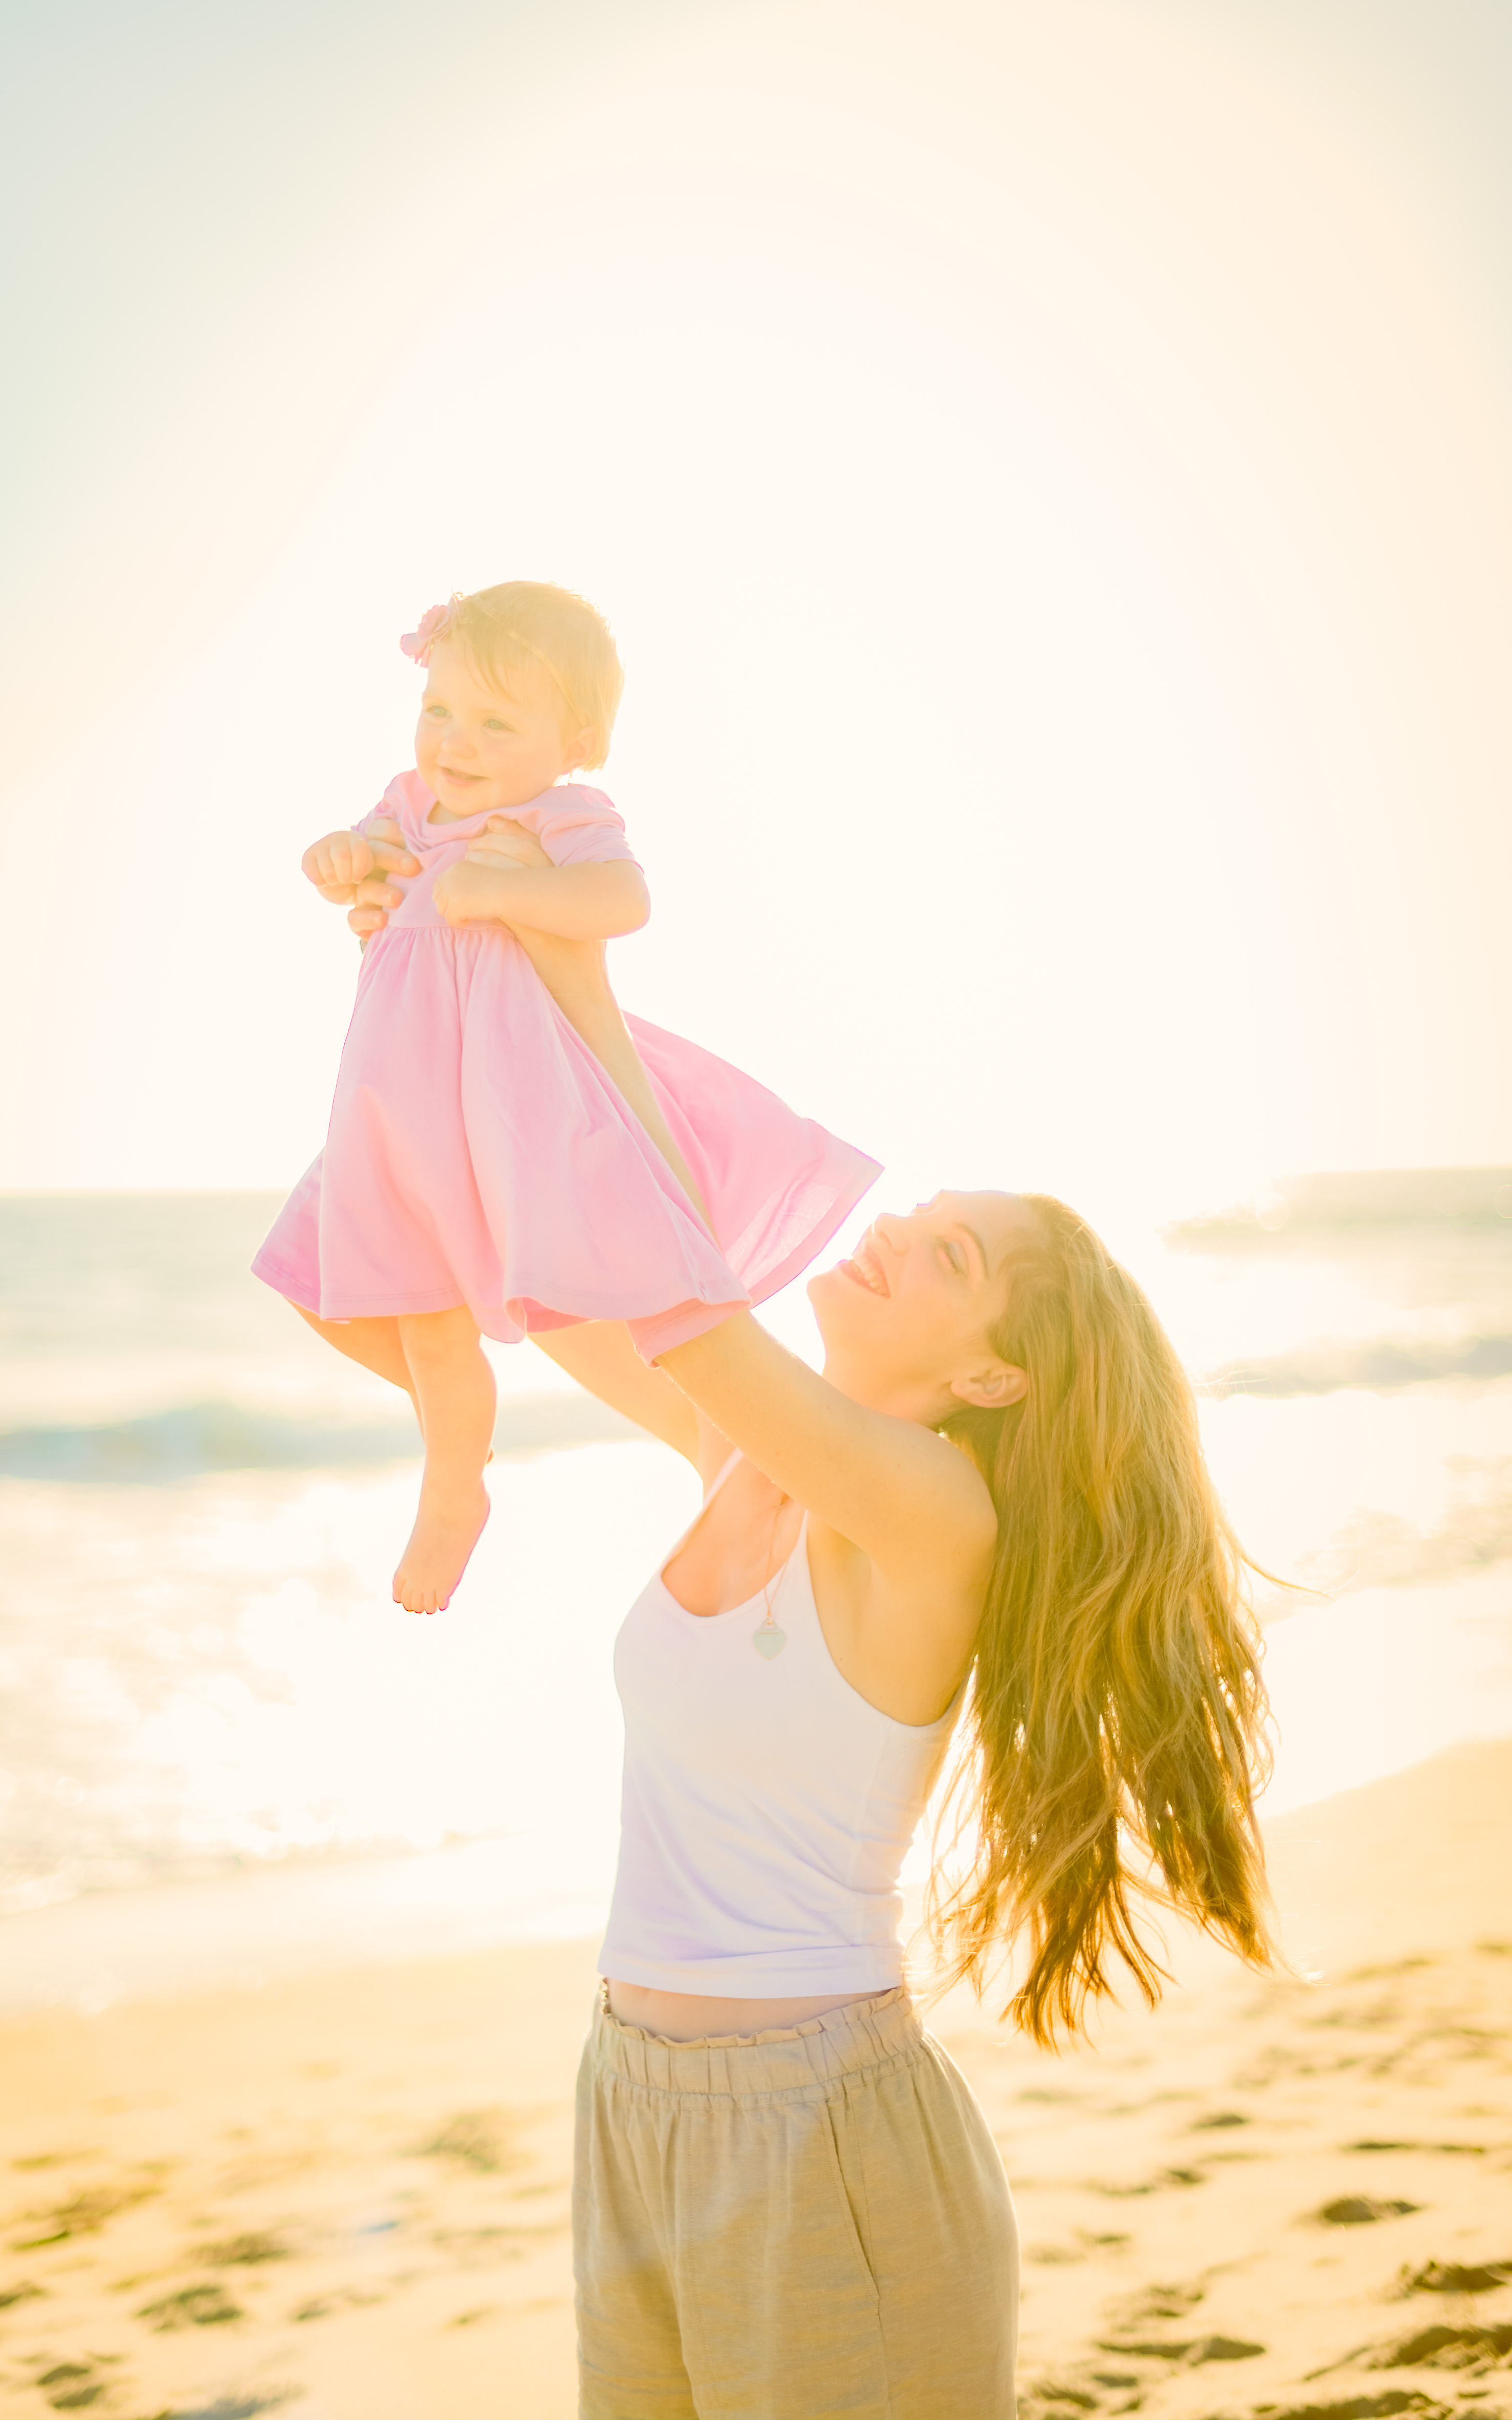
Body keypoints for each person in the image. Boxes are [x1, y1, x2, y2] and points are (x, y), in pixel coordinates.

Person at [318, 833, 1275, 2420]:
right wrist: (425, 969)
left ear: (991, 1377)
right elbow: (552, 1271)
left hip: (820, 2127)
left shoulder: (929, 1517)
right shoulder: (738, 1453)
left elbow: (667, 1277)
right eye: (928, 1211)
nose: (896, 1232)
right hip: (629, 2100)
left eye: (949, 1255)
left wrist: (554, 953)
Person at [251, 581, 879, 1615]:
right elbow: (355, 866)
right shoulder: (409, 805)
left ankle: (455, 1478)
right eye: (440, 710)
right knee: (345, 1283)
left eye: (497, 720)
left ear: (575, 739)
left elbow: (622, 901)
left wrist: (501, 891)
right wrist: (339, 859)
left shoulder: (561, 817)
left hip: (510, 1100)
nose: (456, 741)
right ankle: (462, 1425)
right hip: (399, 1104)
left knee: (491, 1290)